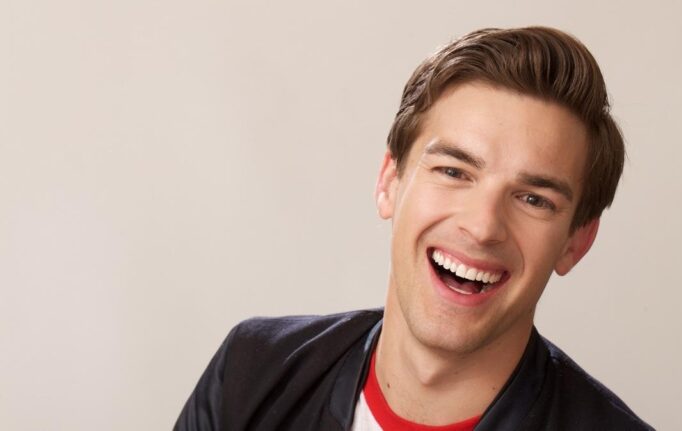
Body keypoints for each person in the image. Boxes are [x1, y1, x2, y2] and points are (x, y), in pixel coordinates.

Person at [174, 27, 654, 430]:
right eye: (454, 172)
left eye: (533, 199)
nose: (482, 226)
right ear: (390, 182)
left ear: (576, 241)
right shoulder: (252, 374)